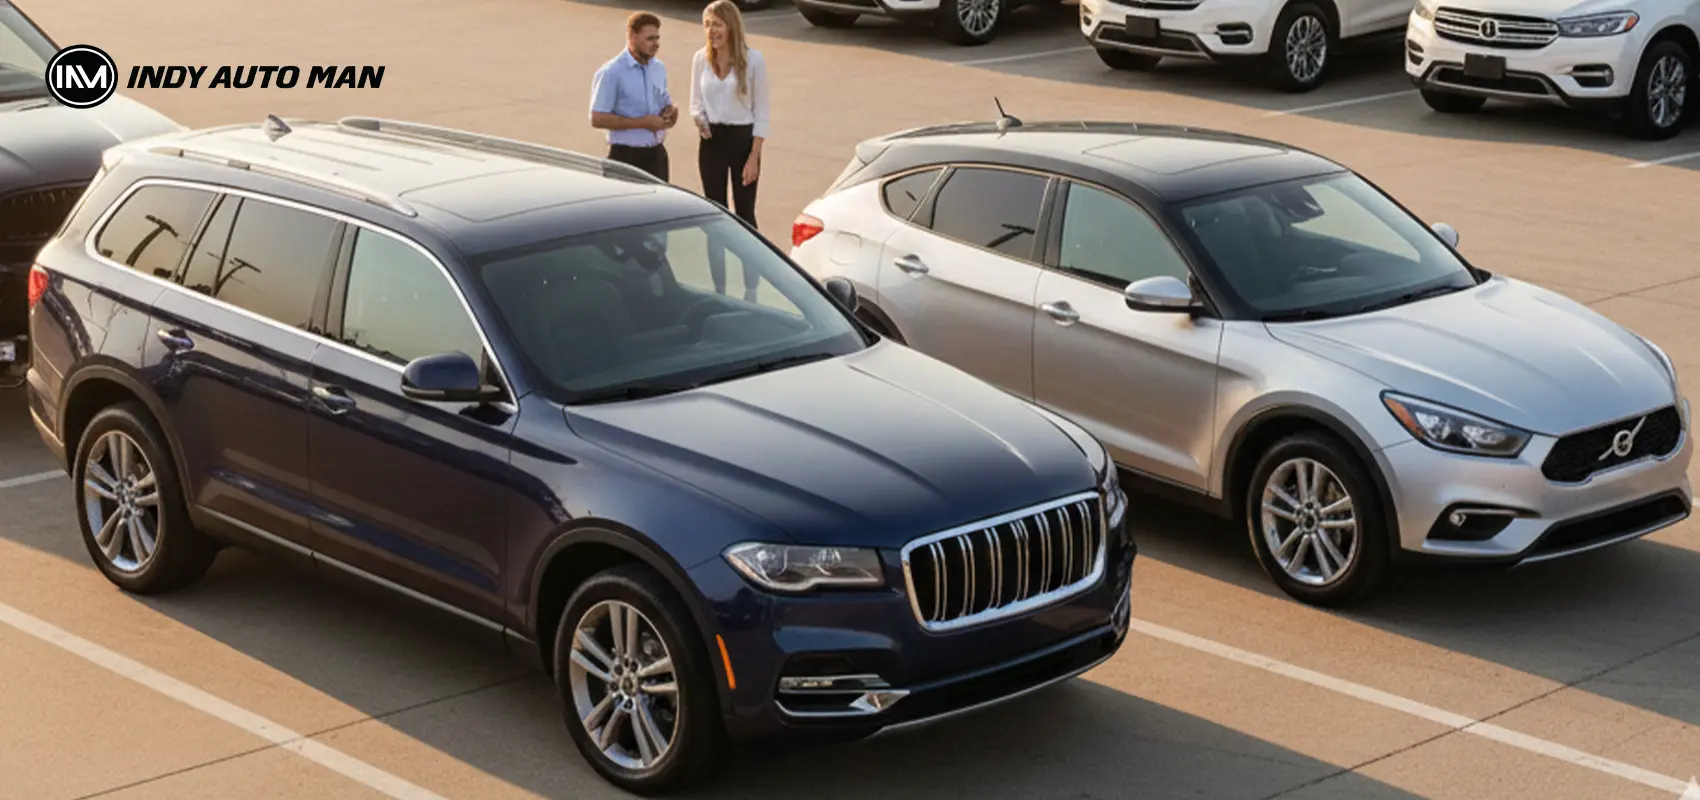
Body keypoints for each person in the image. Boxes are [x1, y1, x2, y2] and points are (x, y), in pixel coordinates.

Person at [690, 0, 770, 300]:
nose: (712, 31)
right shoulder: (700, 58)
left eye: (718, 25)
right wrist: (699, 120)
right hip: (712, 141)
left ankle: (751, 289)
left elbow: (762, 113)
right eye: (708, 25)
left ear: (731, 27)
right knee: (714, 213)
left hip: (743, 141)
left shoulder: (753, 61)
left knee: (745, 213)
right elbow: (695, 102)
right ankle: (719, 288)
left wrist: (754, 156)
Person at [589, 11, 678, 181]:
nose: (656, 44)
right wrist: (643, 123)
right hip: (626, 158)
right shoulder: (612, 73)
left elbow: (664, 101)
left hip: (656, 155)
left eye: (657, 38)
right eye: (650, 39)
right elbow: (597, 118)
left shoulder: (658, 68)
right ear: (632, 37)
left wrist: (671, 112)